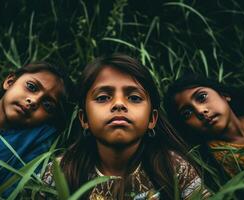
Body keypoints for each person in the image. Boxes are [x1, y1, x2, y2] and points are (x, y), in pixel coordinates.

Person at [42, 54, 209, 200]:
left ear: (152, 119)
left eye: (135, 98)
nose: (119, 104)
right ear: (84, 119)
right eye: (103, 97)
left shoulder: (174, 168)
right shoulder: (60, 173)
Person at [0, 61, 70, 196]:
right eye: (31, 87)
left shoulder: (36, 143)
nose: (33, 101)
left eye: (47, 105)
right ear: (9, 82)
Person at [165, 73, 244, 193]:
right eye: (187, 113)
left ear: (224, 95)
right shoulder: (215, 161)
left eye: (202, 97)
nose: (200, 111)